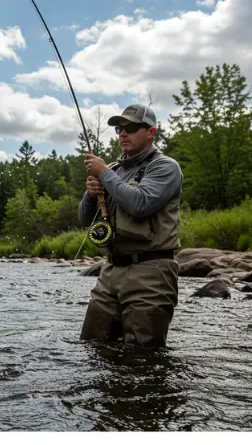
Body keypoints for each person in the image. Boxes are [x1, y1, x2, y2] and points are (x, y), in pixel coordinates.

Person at [78, 103, 183, 348]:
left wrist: (104, 174)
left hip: (151, 272)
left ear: (151, 132)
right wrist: (91, 195)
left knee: (142, 358)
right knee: (92, 347)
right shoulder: (114, 170)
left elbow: (141, 204)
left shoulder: (165, 166)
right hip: (110, 272)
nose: (123, 133)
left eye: (132, 127)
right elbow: (85, 220)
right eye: (119, 129)